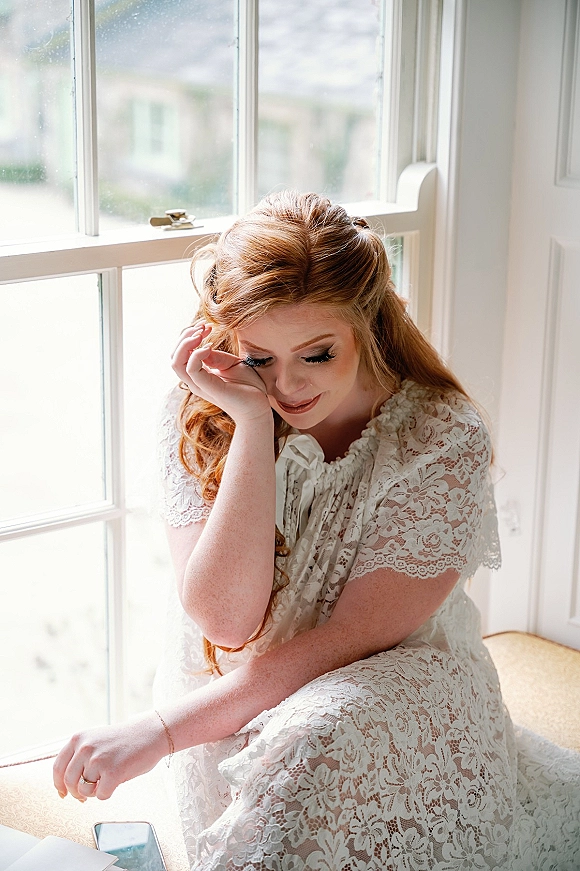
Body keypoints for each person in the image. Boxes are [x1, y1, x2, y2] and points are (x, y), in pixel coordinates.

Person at [54, 192, 580, 870]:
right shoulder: (202, 413)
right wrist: (248, 427)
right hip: (230, 695)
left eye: (317, 354)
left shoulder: (439, 438)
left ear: (365, 325)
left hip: (395, 684)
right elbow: (225, 621)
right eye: (260, 358)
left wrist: (158, 732)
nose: (289, 385)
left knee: (314, 737)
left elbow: (348, 641)